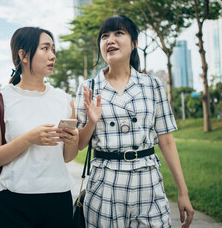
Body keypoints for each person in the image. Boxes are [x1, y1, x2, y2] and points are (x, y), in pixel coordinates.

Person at [75, 15, 194, 228]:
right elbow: (78, 145)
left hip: (148, 184)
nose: (110, 40)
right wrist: (91, 123)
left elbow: (166, 140)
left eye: (118, 33)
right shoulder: (88, 88)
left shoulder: (152, 85)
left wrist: (182, 192)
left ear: (134, 44)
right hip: (104, 185)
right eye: (104, 36)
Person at [0, 27, 79, 228]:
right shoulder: (0, 100)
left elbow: (68, 157)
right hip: (12, 201)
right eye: (45, 48)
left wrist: (73, 138)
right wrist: (29, 139)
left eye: (53, 50)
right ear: (23, 55)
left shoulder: (64, 100)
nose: (52, 56)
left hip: (58, 198)